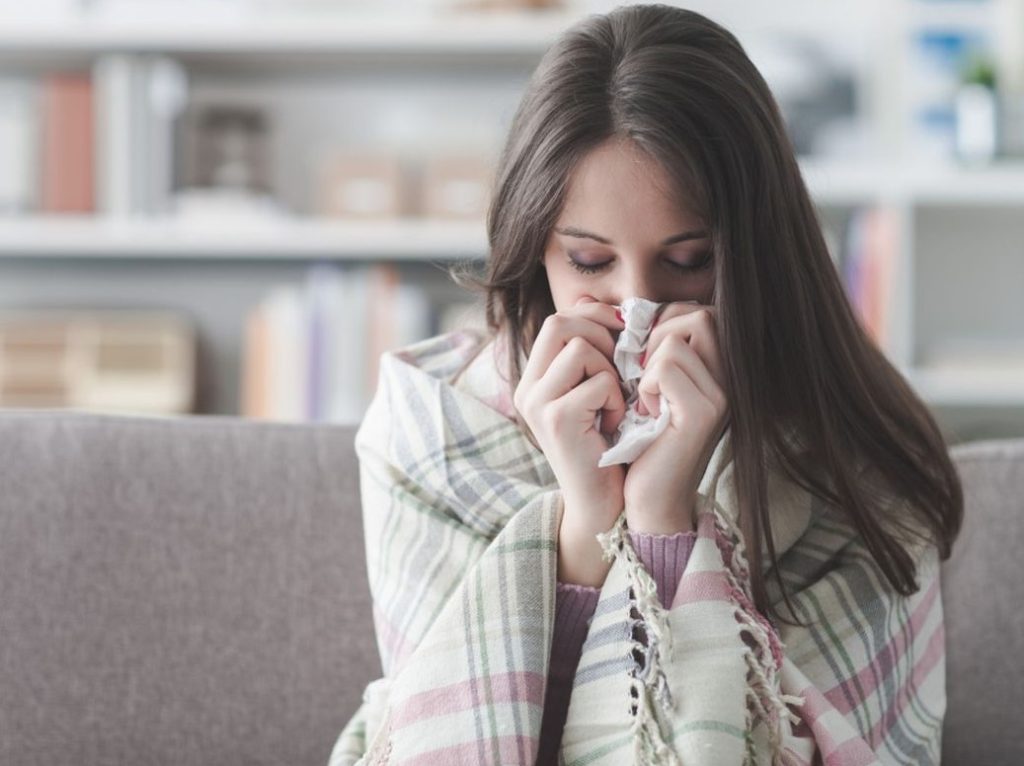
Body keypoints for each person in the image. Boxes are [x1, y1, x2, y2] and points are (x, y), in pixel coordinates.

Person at [328, 4, 963, 765]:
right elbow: (458, 734)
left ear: (756, 251)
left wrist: (664, 518)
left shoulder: (852, 451)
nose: (639, 306)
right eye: (591, 263)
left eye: (689, 261)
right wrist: (584, 526)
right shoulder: (432, 428)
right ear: (535, 252)